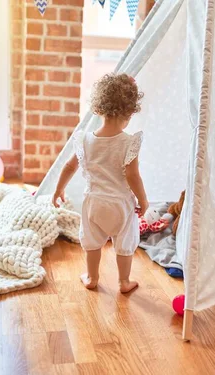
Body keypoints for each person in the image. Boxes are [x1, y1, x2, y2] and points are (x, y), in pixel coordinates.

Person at [52, 73, 147, 294]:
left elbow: (69, 166)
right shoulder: (128, 142)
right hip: (121, 204)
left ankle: (92, 277)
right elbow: (133, 176)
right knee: (125, 242)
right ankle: (124, 281)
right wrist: (143, 199)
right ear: (130, 112)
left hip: (94, 202)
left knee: (92, 242)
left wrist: (58, 189)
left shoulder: (84, 139)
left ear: (97, 108)